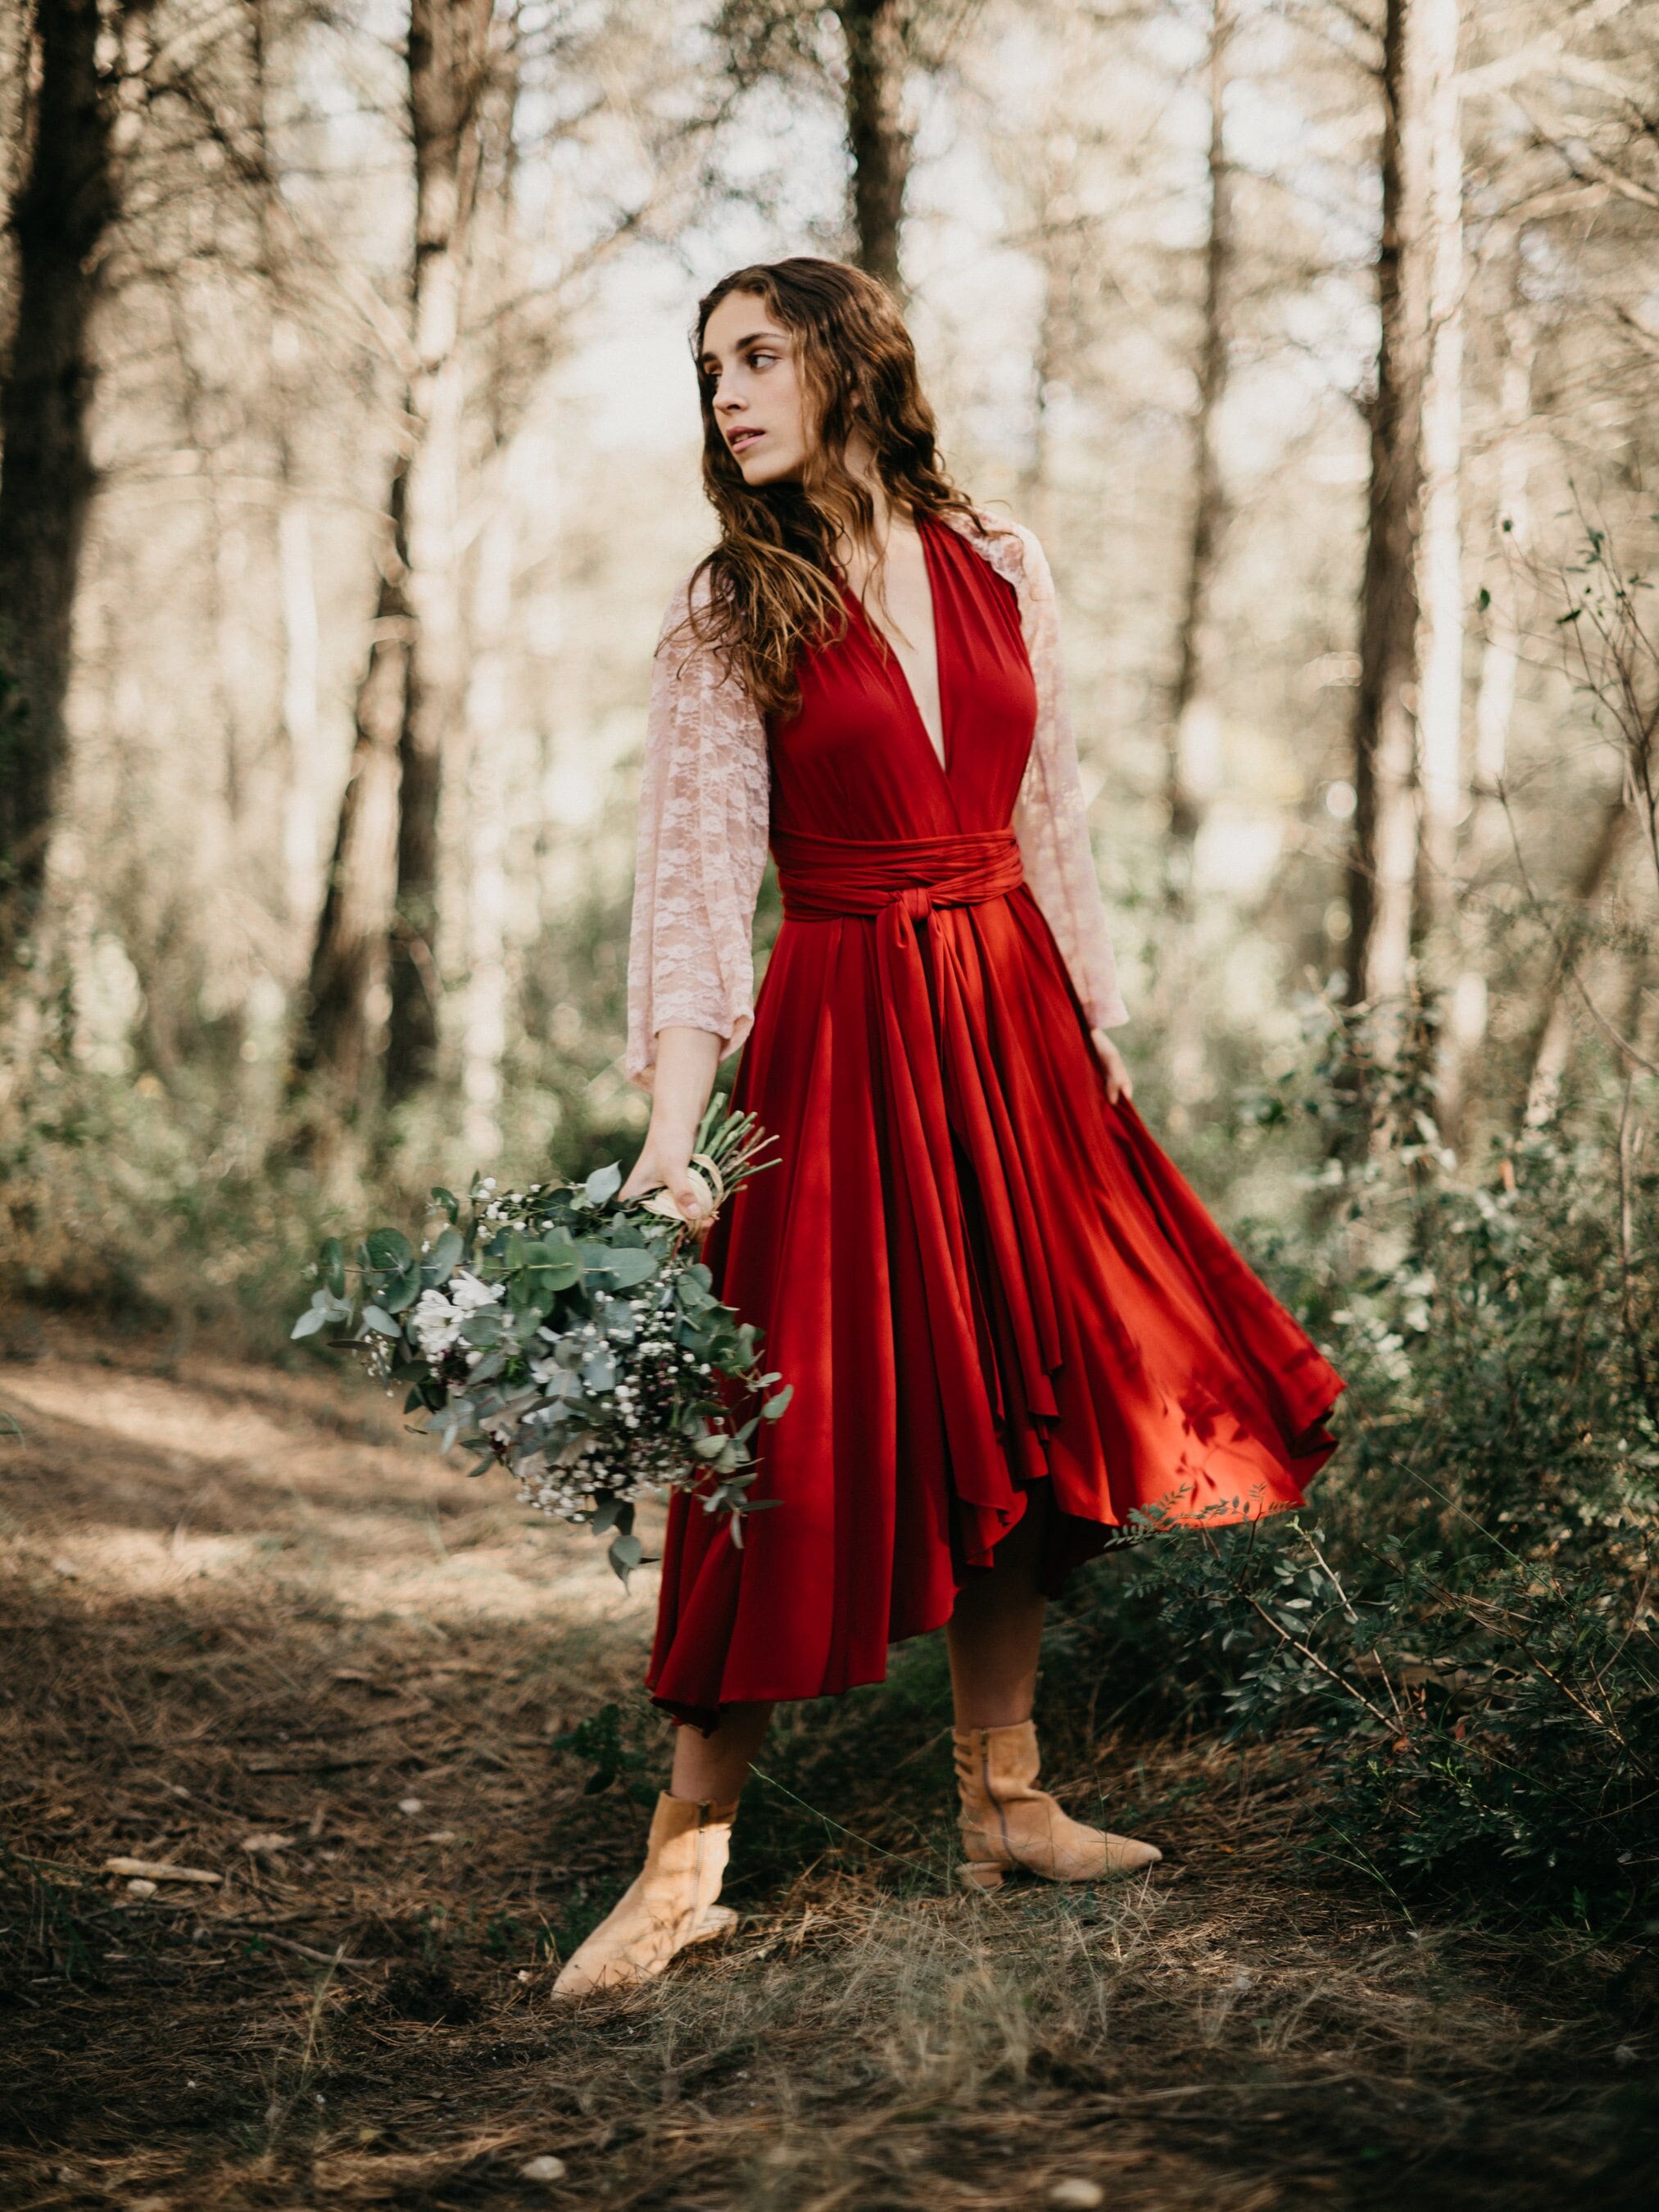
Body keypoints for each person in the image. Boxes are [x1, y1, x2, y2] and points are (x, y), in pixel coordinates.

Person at [553, 257, 1343, 1999]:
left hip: (1011, 1022)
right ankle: (683, 1867)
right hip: (839, 1029)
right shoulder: (722, 608)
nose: (727, 395)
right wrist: (674, 1135)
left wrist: (1096, 1030)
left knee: (1022, 1397)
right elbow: (690, 894)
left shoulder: (998, 560)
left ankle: (1008, 1803)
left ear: (849, 363)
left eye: (758, 356)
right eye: (708, 370)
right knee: (782, 1431)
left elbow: (1047, 811)